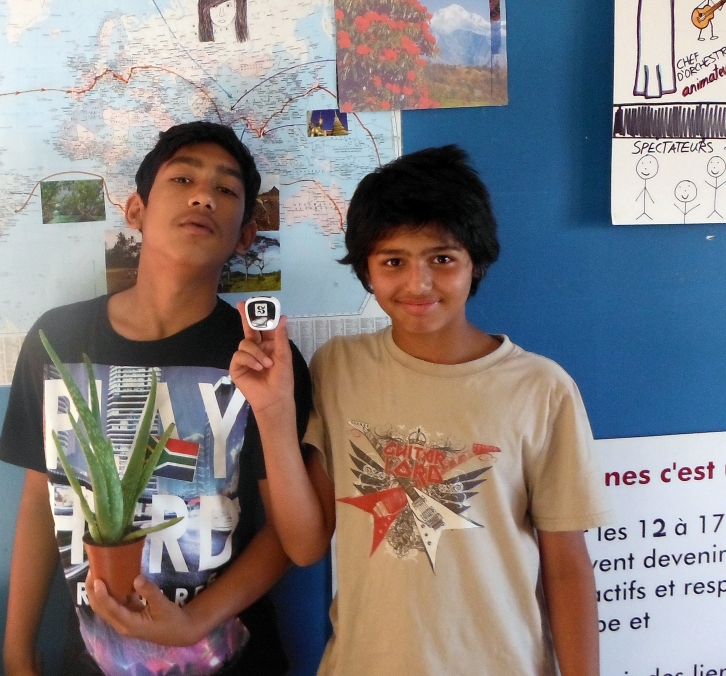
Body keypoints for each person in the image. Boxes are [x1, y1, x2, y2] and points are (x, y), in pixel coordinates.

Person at [231, 145, 611, 676]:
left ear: (475, 261)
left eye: (442, 259)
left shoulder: (541, 388)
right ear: (366, 270)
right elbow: (305, 544)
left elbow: (566, 568)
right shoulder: (339, 367)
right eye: (393, 261)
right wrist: (272, 410)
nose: (418, 284)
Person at [0, 121, 312, 676]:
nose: (202, 196)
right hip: (93, 660)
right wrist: (18, 651)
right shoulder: (59, 338)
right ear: (135, 210)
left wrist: (196, 620)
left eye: (226, 189)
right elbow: (41, 500)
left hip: (233, 658)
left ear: (245, 236)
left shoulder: (264, 358)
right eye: (183, 178)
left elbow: (287, 537)